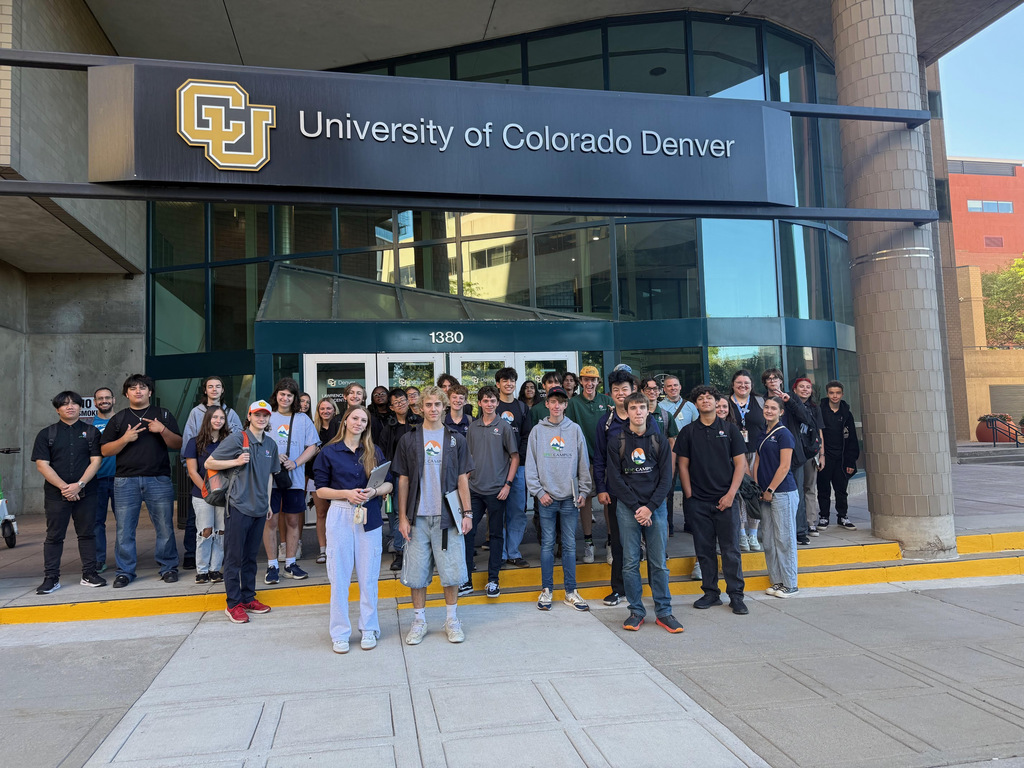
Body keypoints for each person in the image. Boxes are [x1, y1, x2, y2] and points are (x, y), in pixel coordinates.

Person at [393, 386, 474, 645]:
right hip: (418, 517)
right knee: (417, 575)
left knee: (450, 572)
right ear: (420, 408)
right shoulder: (409, 439)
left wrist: (467, 512)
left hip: (447, 516)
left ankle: (452, 619)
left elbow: (463, 478)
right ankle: (419, 621)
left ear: (444, 407)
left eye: (437, 405)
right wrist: (403, 516)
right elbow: (403, 480)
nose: (433, 409)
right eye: (428, 405)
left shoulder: (455, 439)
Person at [314, 405, 393, 653]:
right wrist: (346, 493)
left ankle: (369, 628)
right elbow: (320, 490)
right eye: (355, 418)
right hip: (340, 513)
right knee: (339, 577)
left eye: (363, 420)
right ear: (345, 421)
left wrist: (375, 491)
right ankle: (340, 632)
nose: (359, 423)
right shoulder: (329, 452)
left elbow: (388, 484)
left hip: (368, 514)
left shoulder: (373, 451)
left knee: (369, 576)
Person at [606, 392, 683, 632]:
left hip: (655, 509)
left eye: (642, 407)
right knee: (629, 563)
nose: (638, 412)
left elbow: (666, 479)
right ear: (626, 411)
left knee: (658, 563)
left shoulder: (658, 439)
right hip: (628, 509)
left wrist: (649, 508)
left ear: (649, 411)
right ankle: (636, 611)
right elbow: (615, 480)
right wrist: (636, 507)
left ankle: (664, 612)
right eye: (634, 408)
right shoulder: (616, 440)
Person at [100, 373, 182, 587]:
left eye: (143, 387)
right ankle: (125, 572)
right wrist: (124, 439)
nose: (138, 391)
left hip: (159, 479)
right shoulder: (118, 418)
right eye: (133, 388)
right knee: (124, 529)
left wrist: (162, 429)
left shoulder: (162, 414)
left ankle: (168, 567)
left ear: (150, 392)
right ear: (126, 393)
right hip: (125, 481)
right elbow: (105, 450)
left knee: (164, 526)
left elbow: (179, 444)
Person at [674, 385, 748, 615]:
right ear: (695, 404)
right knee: (704, 550)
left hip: (726, 500)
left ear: (717, 403)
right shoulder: (688, 432)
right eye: (701, 398)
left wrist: (730, 495)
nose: (706, 400)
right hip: (698, 502)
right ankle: (711, 593)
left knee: (731, 551)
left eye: (710, 397)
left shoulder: (730, 430)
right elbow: (682, 465)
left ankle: (736, 595)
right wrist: (689, 495)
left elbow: (740, 464)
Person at [594, 368, 662, 606]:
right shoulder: (606, 422)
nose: (621, 394)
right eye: (616, 390)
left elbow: (658, 455)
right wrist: (601, 488)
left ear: (634, 392)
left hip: (649, 493)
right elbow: (601, 459)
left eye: (625, 389)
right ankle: (619, 589)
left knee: (654, 546)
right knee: (620, 542)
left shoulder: (647, 419)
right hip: (618, 494)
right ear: (610, 394)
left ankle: (657, 592)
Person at [207, 400, 278, 624]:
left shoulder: (271, 444)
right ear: (249, 416)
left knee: (250, 557)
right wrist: (235, 461)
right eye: (257, 415)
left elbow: (269, 476)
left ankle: (248, 598)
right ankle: (233, 604)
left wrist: (267, 504)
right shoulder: (238, 438)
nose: (261, 418)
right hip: (238, 505)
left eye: (265, 415)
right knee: (234, 557)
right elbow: (210, 462)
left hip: (258, 507)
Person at [31, 391, 104, 594]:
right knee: (54, 536)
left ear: (81, 407)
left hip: (87, 492)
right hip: (56, 495)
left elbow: (96, 461)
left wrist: (79, 485)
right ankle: (51, 578)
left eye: (74, 403)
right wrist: (66, 488)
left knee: (87, 534)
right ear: (57, 409)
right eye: (64, 404)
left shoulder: (92, 432)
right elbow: (42, 465)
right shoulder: (47, 434)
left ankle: (89, 574)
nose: (69, 406)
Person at [526, 386, 591, 612]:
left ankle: (571, 592)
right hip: (547, 499)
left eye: (560, 402)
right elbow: (531, 464)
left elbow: (584, 462)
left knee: (570, 546)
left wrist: (583, 491)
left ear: (565, 405)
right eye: (552, 401)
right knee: (547, 545)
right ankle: (547, 590)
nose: (556, 406)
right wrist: (539, 492)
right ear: (547, 404)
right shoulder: (537, 431)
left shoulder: (574, 430)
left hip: (570, 499)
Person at [180, 376, 244, 570]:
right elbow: (189, 448)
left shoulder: (231, 414)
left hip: (224, 488)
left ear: (223, 390)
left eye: (218, 386)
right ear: (205, 390)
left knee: (221, 530)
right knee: (201, 527)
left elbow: (239, 440)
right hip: (201, 485)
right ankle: (197, 563)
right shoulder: (195, 415)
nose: (214, 389)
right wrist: (203, 486)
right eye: (210, 386)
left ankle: (216, 567)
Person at [263, 377, 320, 584]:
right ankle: (272, 565)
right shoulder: (267, 416)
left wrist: (295, 463)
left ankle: (290, 563)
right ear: (276, 395)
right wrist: (272, 457)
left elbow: (313, 446)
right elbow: (255, 443)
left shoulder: (302, 419)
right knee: (270, 520)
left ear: (294, 397)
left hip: (294, 479)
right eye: (282, 394)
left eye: (289, 395)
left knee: (293, 521)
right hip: (269, 480)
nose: (285, 398)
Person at [464, 385, 519, 598]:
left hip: (497, 490)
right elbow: (468, 458)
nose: (489, 404)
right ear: (479, 403)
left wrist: (508, 484)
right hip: (474, 490)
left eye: (492, 401)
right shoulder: (473, 427)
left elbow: (514, 457)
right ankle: (466, 579)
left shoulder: (504, 427)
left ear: (497, 403)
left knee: (496, 535)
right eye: (485, 401)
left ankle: (493, 580)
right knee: (467, 532)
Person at [565, 364, 614, 564]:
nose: (589, 383)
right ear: (581, 381)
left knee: (608, 501)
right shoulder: (573, 403)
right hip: (584, 461)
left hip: (606, 461)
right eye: (586, 379)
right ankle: (589, 543)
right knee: (584, 501)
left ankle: (611, 543)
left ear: (598, 382)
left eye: (593, 379)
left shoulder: (607, 401)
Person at [753, 396, 800, 598]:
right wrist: (757, 487)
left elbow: (784, 466)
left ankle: (791, 584)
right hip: (764, 495)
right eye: (766, 407)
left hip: (782, 494)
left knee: (784, 539)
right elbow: (757, 461)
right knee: (770, 541)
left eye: (774, 408)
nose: (769, 410)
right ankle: (777, 582)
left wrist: (770, 490)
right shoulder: (762, 433)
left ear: (781, 412)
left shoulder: (784, 434)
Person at [761, 369, 815, 545]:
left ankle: (799, 531)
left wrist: (790, 401)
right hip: (768, 456)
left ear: (781, 381)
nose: (772, 381)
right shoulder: (761, 401)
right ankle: (770, 532)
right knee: (768, 493)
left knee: (795, 493)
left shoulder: (791, 399)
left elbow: (806, 418)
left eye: (775, 378)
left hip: (792, 457)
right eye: (768, 379)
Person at [182, 406, 231, 584]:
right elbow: (192, 471)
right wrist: (206, 490)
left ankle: (215, 569)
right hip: (201, 494)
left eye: (222, 418)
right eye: (215, 417)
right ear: (208, 419)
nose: (218, 421)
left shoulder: (228, 442)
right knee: (205, 531)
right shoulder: (194, 442)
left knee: (221, 531)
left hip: (223, 494)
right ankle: (202, 570)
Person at [379, 387, 424, 571]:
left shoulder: (420, 422)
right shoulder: (388, 428)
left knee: (420, 513)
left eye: (403, 400)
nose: (400, 404)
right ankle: (400, 551)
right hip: (396, 477)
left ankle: (419, 550)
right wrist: (385, 481)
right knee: (398, 515)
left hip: (419, 476)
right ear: (391, 407)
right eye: (396, 403)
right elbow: (382, 456)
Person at [495, 367, 531, 568]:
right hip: (496, 468)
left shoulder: (522, 408)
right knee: (497, 511)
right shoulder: (492, 405)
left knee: (517, 510)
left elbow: (527, 436)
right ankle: (499, 554)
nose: (509, 384)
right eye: (505, 380)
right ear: (498, 383)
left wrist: (520, 458)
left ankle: (513, 552)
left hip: (519, 467)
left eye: (512, 380)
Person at [726, 370, 765, 553]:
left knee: (754, 493)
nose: (743, 386)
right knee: (740, 494)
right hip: (735, 455)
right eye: (739, 383)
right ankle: (741, 533)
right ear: (733, 385)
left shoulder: (760, 401)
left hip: (757, 454)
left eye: (746, 383)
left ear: (752, 385)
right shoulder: (726, 402)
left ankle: (753, 533)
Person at [817, 380, 860, 530]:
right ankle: (823, 517)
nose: (834, 396)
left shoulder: (846, 414)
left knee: (841, 489)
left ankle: (843, 516)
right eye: (831, 393)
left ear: (842, 394)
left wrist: (850, 462)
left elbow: (852, 439)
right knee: (823, 489)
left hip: (841, 458)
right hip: (824, 457)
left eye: (837, 393)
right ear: (827, 394)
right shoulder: (820, 411)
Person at [658, 375, 697, 536]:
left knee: (691, 488)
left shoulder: (690, 407)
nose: (672, 388)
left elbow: (697, 428)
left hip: (689, 453)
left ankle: (690, 523)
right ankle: (669, 525)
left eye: (675, 385)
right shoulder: (659, 407)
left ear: (680, 387)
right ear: (664, 389)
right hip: (669, 453)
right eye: (669, 386)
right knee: (668, 488)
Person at [793, 377, 826, 537]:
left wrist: (822, 454)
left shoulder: (815, 408)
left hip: (810, 452)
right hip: (794, 452)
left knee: (810, 487)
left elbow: (820, 432)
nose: (805, 389)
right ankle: (797, 522)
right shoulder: (789, 405)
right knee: (796, 489)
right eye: (801, 387)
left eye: (808, 387)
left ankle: (810, 522)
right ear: (795, 389)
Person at [90, 387, 117, 573]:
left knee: (124, 522)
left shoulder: (122, 421)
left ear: (114, 400)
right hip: (97, 480)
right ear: (95, 402)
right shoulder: (90, 426)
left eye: (107, 398)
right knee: (96, 522)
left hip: (121, 478)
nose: (104, 400)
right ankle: (99, 560)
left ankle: (125, 560)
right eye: (100, 398)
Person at [310, 396, 339, 565]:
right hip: (317, 476)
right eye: (322, 409)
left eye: (329, 408)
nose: (325, 411)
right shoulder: (314, 429)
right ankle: (323, 550)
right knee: (321, 513)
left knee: (337, 514)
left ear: (334, 410)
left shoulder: (341, 428)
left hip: (338, 477)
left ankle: (335, 548)